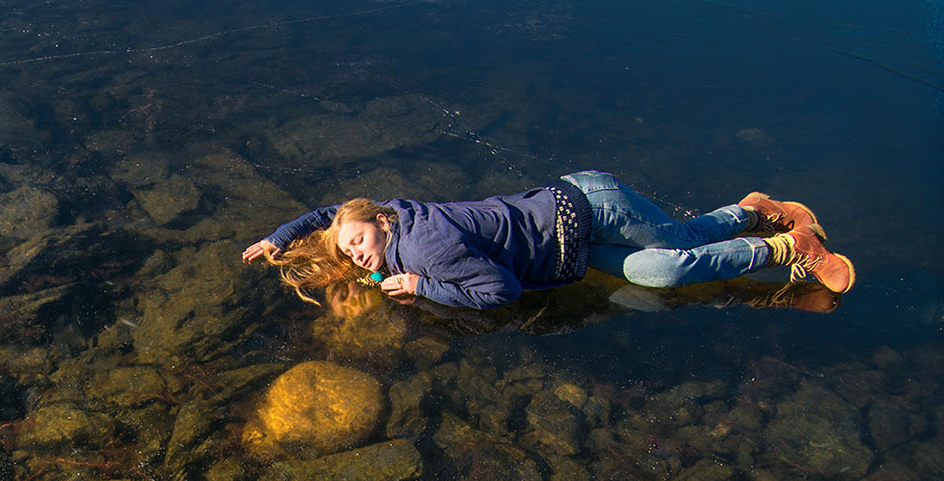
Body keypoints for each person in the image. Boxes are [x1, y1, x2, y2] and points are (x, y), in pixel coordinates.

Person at [241, 170, 855, 310]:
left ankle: (786, 242)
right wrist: (283, 236)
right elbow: (330, 213)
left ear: (379, 222)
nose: (354, 252)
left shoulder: (423, 248)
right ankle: (758, 217)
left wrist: (426, 287)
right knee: (663, 270)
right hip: (572, 243)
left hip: (590, 208)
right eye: (349, 250)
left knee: (677, 248)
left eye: (356, 241)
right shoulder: (393, 216)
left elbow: (501, 290)